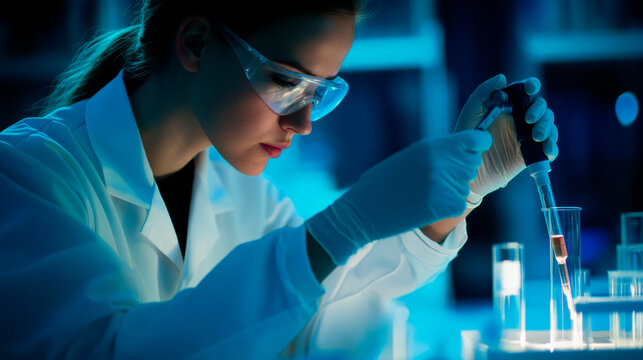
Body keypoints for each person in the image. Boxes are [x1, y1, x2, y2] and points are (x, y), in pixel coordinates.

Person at [0, 0, 558, 359]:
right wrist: (349, 219)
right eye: (285, 82)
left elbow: (311, 330)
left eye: (319, 92)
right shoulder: (28, 173)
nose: (303, 122)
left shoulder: (241, 194)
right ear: (195, 44)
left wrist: (458, 196)